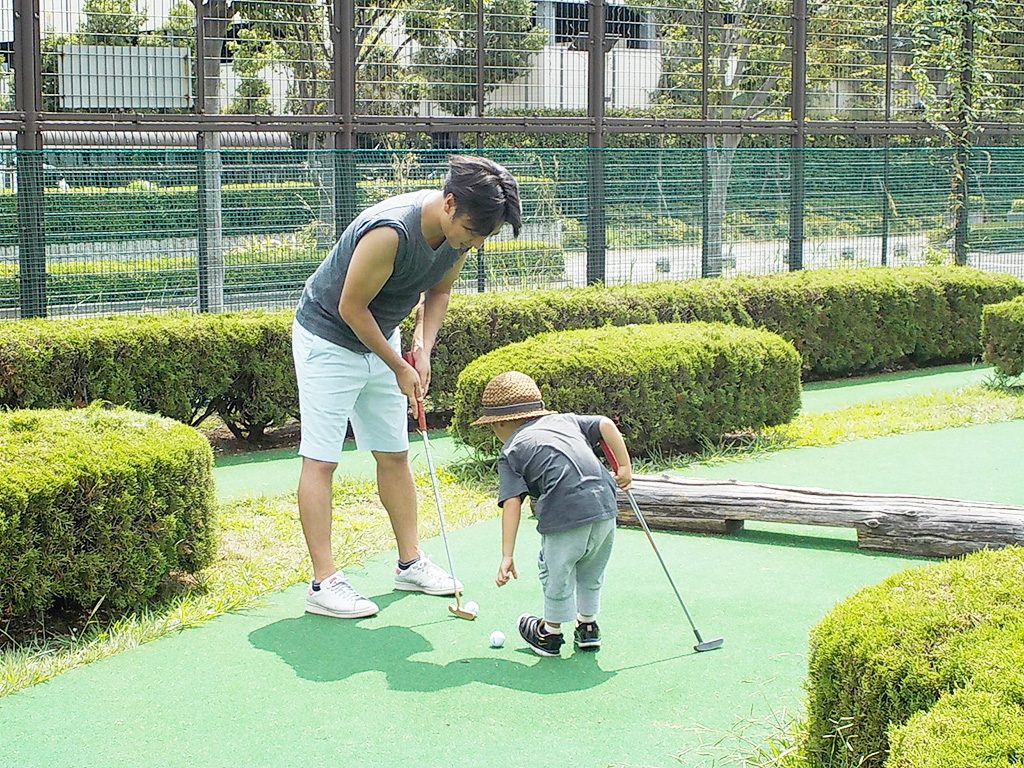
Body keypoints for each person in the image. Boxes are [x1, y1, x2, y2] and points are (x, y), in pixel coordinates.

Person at [293, 155, 522, 619]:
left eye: (483, 239)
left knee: (394, 453)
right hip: (328, 336)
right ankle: (323, 582)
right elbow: (351, 307)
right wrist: (398, 364)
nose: (474, 245)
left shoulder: (458, 237)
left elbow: (438, 292)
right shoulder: (389, 232)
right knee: (321, 459)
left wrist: (423, 346)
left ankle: (410, 562)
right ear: (449, 203)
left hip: (384, 336)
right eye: (473, 234)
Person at [471, 371, 633, 656]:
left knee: (556, 571)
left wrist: (507, 555)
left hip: (564, 512)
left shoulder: (511, 451)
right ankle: (588, 627)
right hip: (605, 506)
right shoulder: (565, 420)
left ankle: (549, 633)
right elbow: (606, 424)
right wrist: (624, 466)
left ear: (501, 422)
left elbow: (512, 503)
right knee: (591, 569)